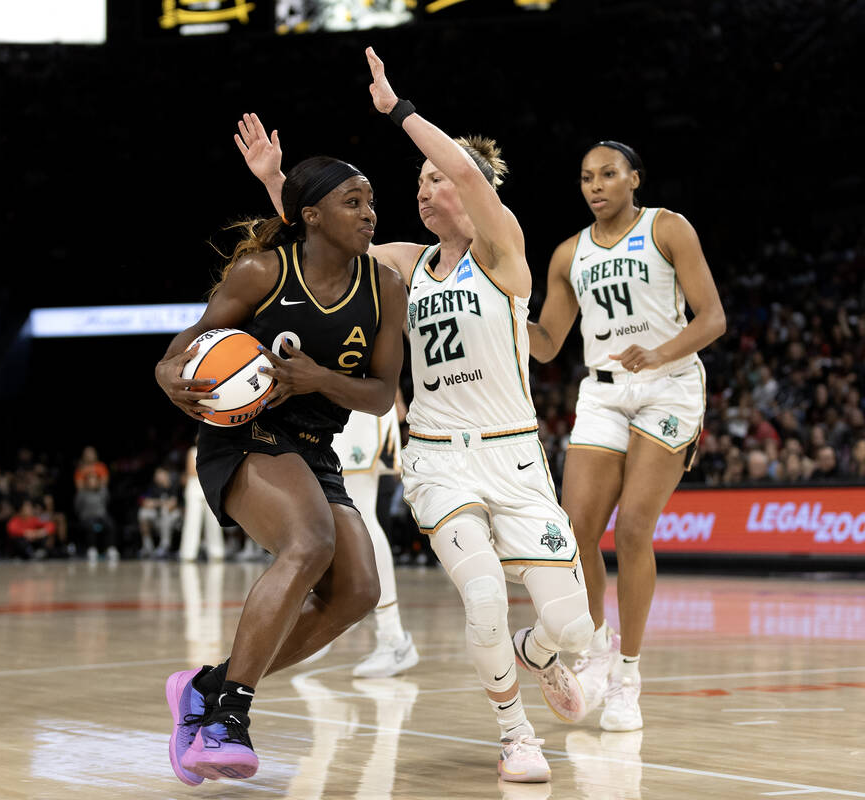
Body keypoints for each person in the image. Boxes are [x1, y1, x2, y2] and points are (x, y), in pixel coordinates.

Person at [234, 47, 595, 781]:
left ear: (475, 190)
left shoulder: (503, 252)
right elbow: (322, 247)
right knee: (485, 593)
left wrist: (398, 110)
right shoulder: (402, 262)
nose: (424, 189)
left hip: (516, 455)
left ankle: (540, 654)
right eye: (421, 181)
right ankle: (514, 732)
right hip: (437, 454)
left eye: (437, 179)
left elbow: (464, 169)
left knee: (574, 629)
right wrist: (277, 183)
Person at [153, 151, 406, 784]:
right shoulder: (261, 272)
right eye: (354, 202)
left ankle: (206, 686)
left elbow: (380, 393)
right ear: (312, 216)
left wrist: (318, 379)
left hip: (316, 444)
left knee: (357, 592)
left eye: (371, 201)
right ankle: (225, 719)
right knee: (309, 542)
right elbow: (187, 345)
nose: (370, 214)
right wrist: (165, 374)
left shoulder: (385, 288)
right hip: (246, 432)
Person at [528, 138, 726, 732]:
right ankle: (595, 652)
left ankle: (628, 680)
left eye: (609, 174)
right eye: (587, 176)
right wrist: (503, 310)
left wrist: (658, 352)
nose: (596, 185)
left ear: (634, 179)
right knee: (577, 529)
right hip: (604, 391)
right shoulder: (568, 254)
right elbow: (546, 345)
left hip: (668, 384)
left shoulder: (668, 229)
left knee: (635, 527)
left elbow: (712, 318)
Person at [333, 399, 419, 678]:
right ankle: (336, 613)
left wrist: (394, 395)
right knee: (335, 517)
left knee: (360, 517)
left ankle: (393, 636)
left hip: (358, 406)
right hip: (335, 404)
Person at [137, 467, 182, 558]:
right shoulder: (154, 487)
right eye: (156, 475)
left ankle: (164, 546)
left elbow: (172, 505)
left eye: (160, 474)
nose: (157, 477)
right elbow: (146, 502)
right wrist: (162, 503)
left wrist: (156, 503)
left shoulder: (174, 486)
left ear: (166, 475)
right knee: (143, 513)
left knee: (165, 511)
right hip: (158, 516)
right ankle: (148, 547)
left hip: (175, 517)